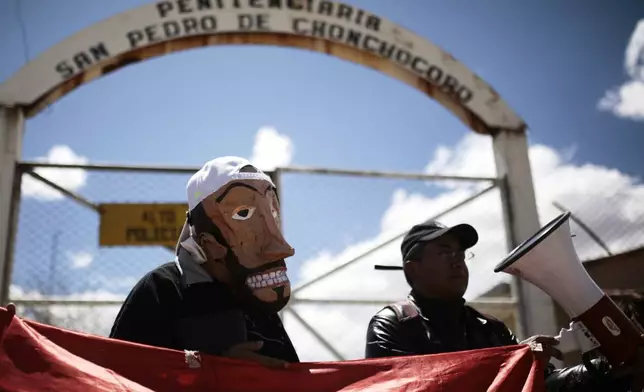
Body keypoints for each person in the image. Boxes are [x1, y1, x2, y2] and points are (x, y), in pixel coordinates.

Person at [365, 220, 642, 391]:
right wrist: (512, 361)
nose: (457, 260)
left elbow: (541, 386)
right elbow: (411, 387)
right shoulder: (393, 324)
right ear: (413, 270)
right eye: (444, 252)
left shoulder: (489, 327)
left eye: (461, 253)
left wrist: (604, 369)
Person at [109, 156, 299, 368]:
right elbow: (118, 379)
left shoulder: (257, 299)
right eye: (243, 214)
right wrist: (213, 371)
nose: (284, 249)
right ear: (206, 241)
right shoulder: (162, 290)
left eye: (272, 213)